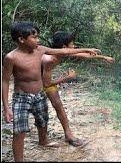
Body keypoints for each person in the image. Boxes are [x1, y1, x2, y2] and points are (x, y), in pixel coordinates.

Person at [2, 21, 100, 162]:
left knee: (43, 121)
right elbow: (5, 81)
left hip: (40, 94)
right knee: (19, 131)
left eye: (38, 37)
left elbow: (64, 51)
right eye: (34, 38)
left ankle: (44, 141)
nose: (38, 40)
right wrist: (6, 107)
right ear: (21, 39)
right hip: (21, 97)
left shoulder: (40, 50)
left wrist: (86, 48)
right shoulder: (11, 58)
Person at [41, 31, 115, 147]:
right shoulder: (49, 59)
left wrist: (102, 57)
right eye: (72, 44)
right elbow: (46, 83)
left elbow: (83, 55)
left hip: (44, 80)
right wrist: (67, 78)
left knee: (58, 105)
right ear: (64, 47)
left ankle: (68, 135)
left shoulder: (61, 52)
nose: (74, 46)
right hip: (35, 84)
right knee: (48, 108)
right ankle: (44, 139)